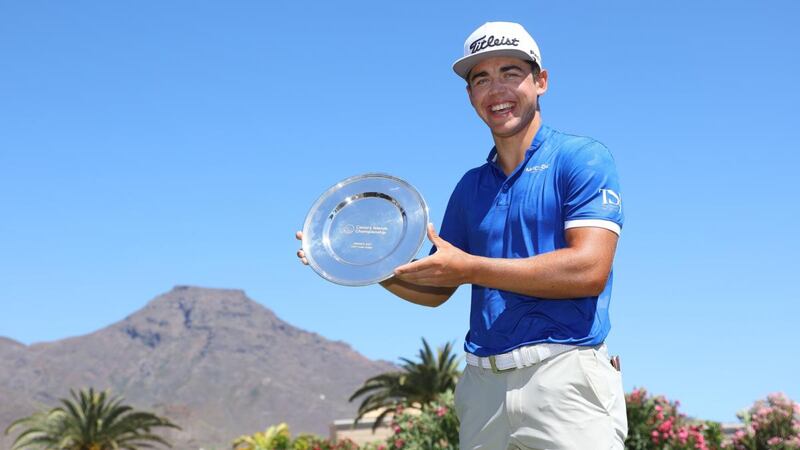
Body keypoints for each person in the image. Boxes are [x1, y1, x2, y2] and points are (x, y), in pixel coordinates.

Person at [297, 21, 627, 450]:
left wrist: (468, 268)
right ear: (471, 96)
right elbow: (438, 289)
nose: (497, 89)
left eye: (511, 73)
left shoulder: (581, 158)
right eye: (481, 79)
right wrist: (360, 262)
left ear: (541, 81)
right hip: (482, 387)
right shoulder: (470, 186)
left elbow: (588, 270)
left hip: (564, 376)